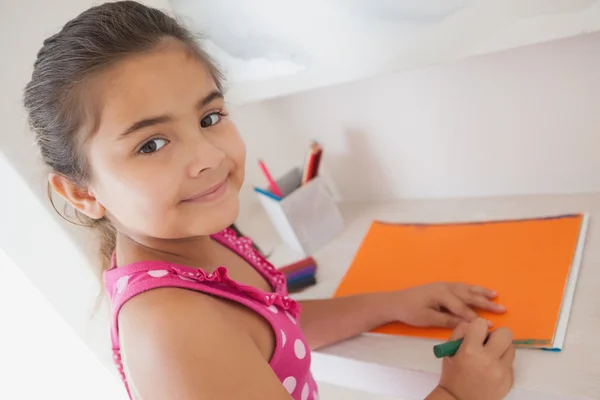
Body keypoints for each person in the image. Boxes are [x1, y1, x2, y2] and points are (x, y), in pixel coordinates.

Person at [23, 2, 515, 399]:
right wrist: (459, 395)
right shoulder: (172, 330)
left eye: (210, 117)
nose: (208, 157)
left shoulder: (200, 235)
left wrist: (391, 303)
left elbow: (275, 325)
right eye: (151, 144)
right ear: (80, 192)